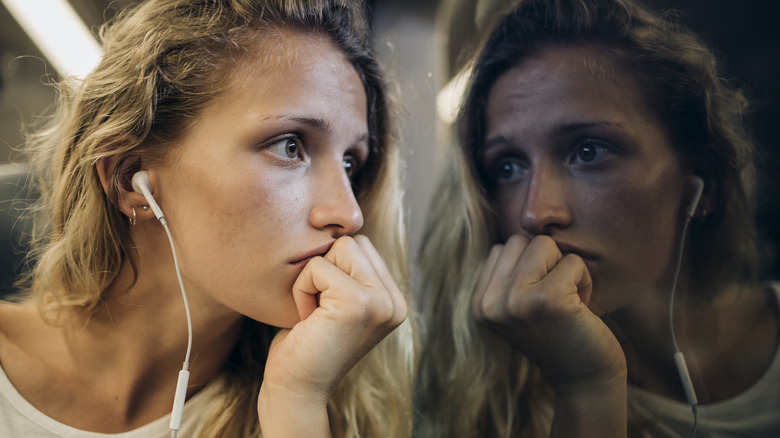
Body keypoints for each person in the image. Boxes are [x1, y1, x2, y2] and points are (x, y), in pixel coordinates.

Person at [0, 0, 415, 437]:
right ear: (130, 181)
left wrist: (296, 402)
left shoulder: (320, 400)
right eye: (290, 146)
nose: (349, 213)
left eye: (351, 164)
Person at [415, 0, 779, 437]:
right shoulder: (488, 407)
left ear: (701, 186)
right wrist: (586, 387)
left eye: (589, 151)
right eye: (508, 166)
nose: (535, 212)